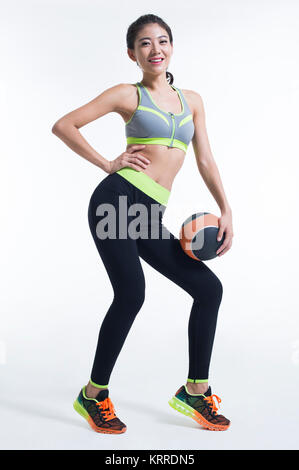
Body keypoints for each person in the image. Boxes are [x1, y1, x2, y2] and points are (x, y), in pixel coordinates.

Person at [52, 14, 234, 434]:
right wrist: (107, 163)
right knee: (132, 292)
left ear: (172, 46)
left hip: (149, 212)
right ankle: (93, 395)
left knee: (209, 289)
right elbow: (64, 125)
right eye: (145, 44)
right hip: (117, 199)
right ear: (132, 54)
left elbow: (205, 159)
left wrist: (226, 209)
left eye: (163, 41)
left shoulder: (193, 101)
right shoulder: (126, 94)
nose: (156, 50)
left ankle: (195, 390)